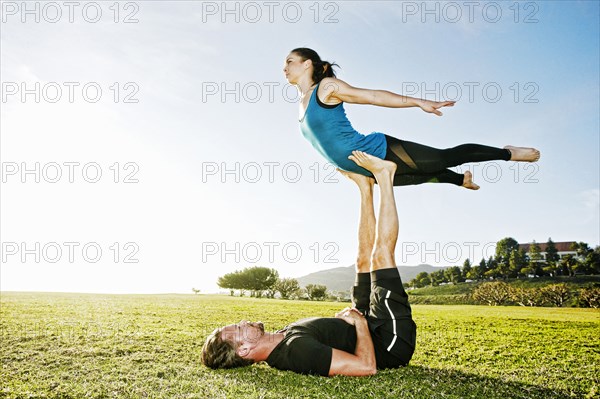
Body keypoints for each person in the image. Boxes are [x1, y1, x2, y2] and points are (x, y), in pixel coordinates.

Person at [201, 151, 416, 376]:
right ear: (244, 349)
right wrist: (359, 323)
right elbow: (366, 367)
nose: (243, 321)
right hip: (388, 343)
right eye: (238, 328)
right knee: (380, 258)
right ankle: (384, 177)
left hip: (365, 322)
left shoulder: (282, 337)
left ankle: (365, 186)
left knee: (362, 260)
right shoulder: (295, 352)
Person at [284, 47, 541, 190]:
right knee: (423, 176)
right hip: (365, 169)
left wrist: (419, 102)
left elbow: (373, 96)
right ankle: (461, 180)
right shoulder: (300, 106)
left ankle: (508, 153)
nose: (285, 67)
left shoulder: (326, 88)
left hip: (377, 151)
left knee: (444, 157)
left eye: (290, 61)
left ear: (308, 64)